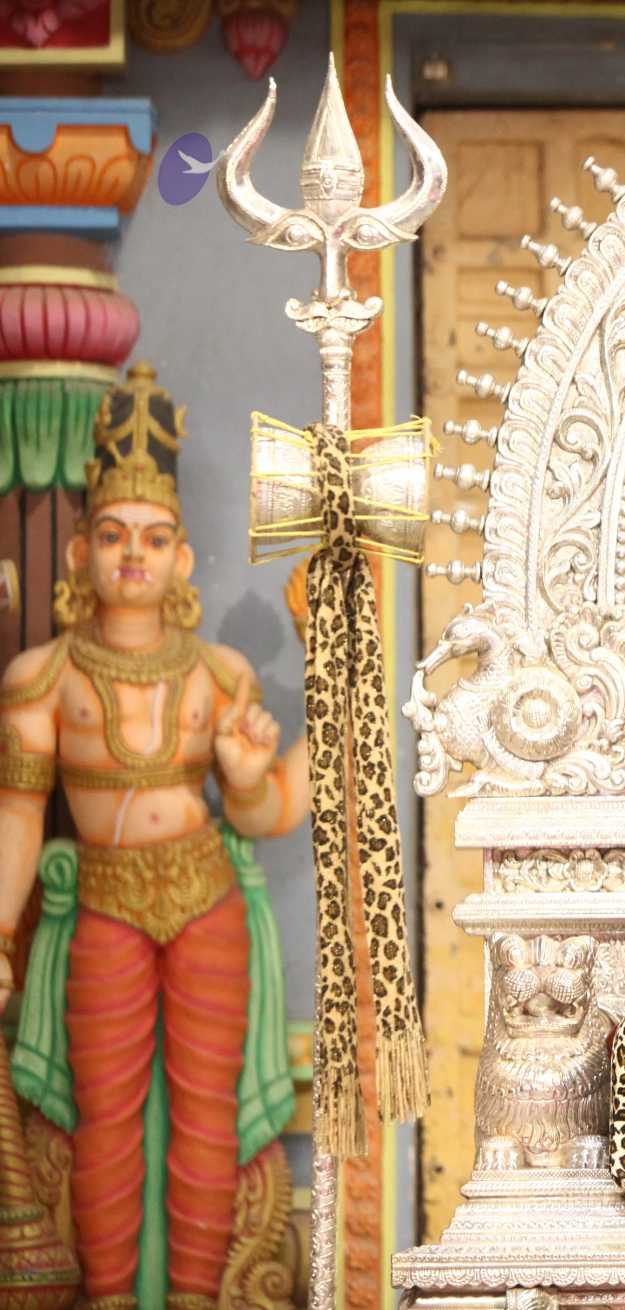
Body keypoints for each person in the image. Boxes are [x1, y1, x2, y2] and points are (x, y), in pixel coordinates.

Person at [0, 362, 309, 1307]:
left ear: (182, 560)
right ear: (80, 552)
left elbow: (265, 817)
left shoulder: (218, 674)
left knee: (208, 1117)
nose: (133, 554)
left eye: (155, 538)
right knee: (105, 1117)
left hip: (206, 897)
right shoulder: (43, 679)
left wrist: (249, 777)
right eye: (112, 534)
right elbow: (17, 818)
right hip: (104, 902)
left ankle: (195, 1300)